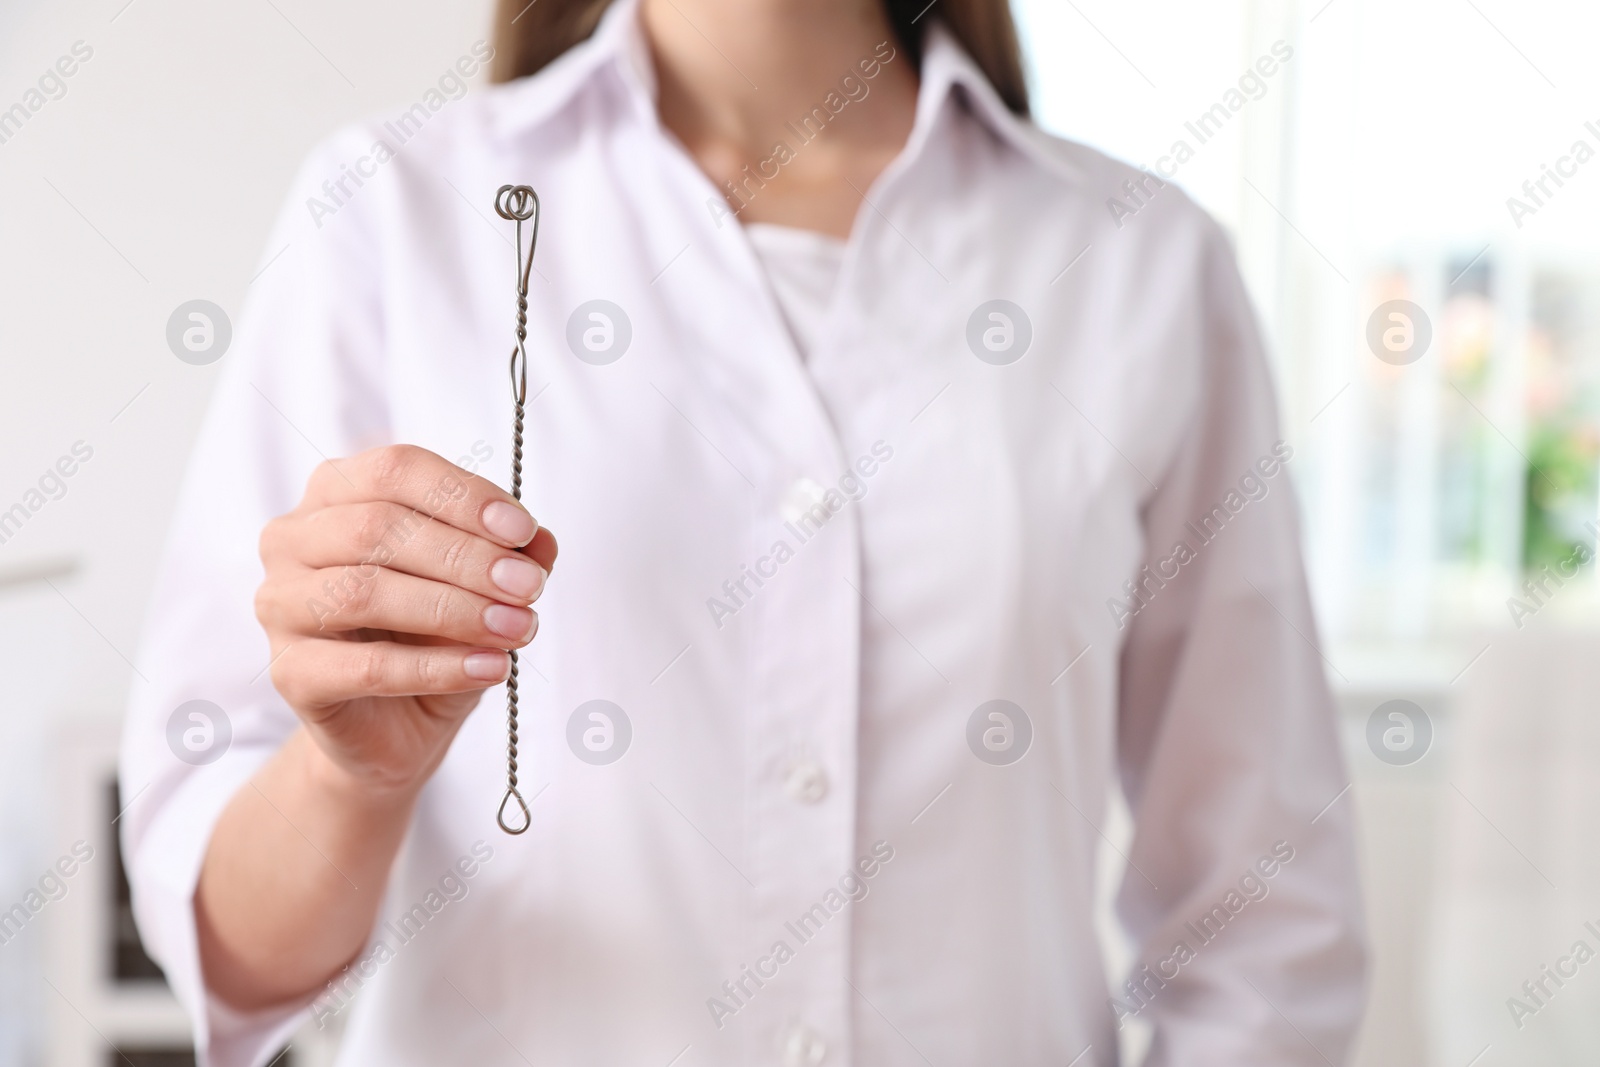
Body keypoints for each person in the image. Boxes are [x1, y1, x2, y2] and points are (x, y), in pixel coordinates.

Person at [120, 0, 1367, 1063]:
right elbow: (226, 956)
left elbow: (1266, 918)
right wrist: (352, 777)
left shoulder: (1139, 264)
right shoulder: (393, 214)